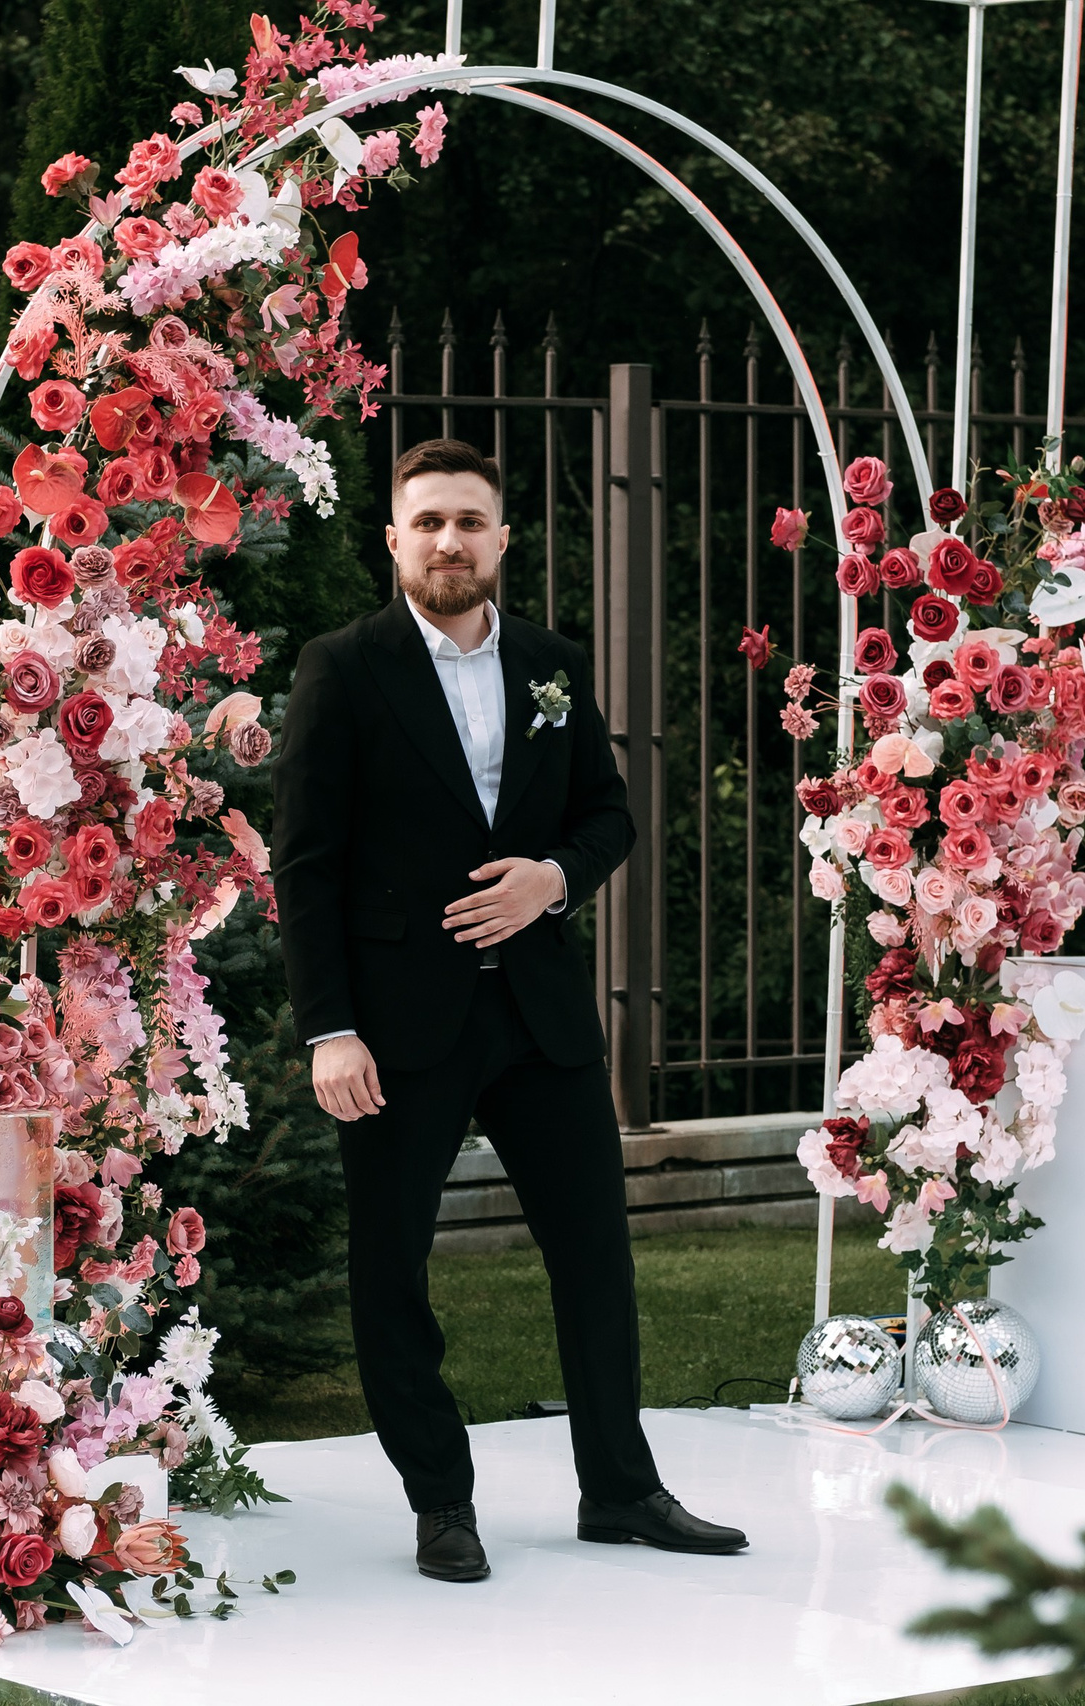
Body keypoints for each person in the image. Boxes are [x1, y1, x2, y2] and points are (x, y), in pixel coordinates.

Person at [271, 437, 748, 1582]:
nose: (448, 540)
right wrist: (330, 1027)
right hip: (395, 1029)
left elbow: (607, 812)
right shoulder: (343, 668)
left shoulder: (550, 663)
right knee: (392, 1271)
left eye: (468, 521)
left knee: (594, 1257)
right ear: (392, 540)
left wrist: (555, 877)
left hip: (539, 1019)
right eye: (426, 521)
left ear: (501, 538)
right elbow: (306, 864)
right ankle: (441, 1499)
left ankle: (621, 1489)